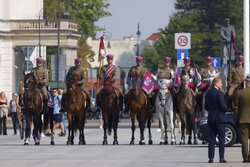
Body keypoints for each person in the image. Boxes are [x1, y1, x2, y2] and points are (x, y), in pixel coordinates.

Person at [205, 77, 227, 163]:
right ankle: (221, 158)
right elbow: (222, 105)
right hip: (220, 119)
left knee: (212, 138)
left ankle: (211, 158)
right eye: (220, 83)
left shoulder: (208, 93)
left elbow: (206, 107)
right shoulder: (219, 93)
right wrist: (225, 108)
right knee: (221, 139)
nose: (221, 85)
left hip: (211, 118)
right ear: (216, 83)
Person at [234, 74, 250, 163]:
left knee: (244, 139)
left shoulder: (240, 93)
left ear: (246, 82)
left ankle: (245, 158)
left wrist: (236, 118)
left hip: (243, 119)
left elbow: (236, 108)